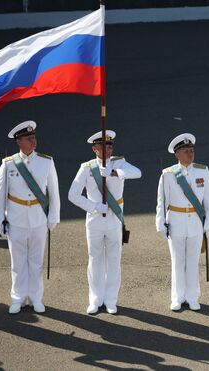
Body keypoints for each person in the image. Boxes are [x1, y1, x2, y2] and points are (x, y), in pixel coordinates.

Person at [68, 130, 141, 314]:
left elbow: (137, 173)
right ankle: (95, 298)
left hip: (114, 218)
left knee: (114, 259)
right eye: (103, 146)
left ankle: (110, 300)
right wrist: (93, 206)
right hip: (94, 220)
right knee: (95, 259)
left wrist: (114, 172)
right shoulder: (86, 167)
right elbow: (73, 195)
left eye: (110, 146)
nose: (107, 149)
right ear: (94, 148)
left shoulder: (119, 163)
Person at [0, 120, 60, 314]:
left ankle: (36, 297)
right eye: (28, 138)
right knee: (18, 263)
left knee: (36, 262)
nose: (33, 141)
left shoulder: (46, 161)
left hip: (39, 218)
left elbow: (54, 192)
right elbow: (0, 194)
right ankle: (18, 298)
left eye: (34, 137)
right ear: (19, 142)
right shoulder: (8, 165)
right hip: (16, 219)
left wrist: (53, 217)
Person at [156, 133, 209, 311]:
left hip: (196, 221)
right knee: (177, 261)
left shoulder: (203, 171)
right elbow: (161, 201)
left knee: (192, 260)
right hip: (176, 221)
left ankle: (192, 296)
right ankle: (177, 297)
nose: (190, 153)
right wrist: (160, 222)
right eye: (186, 150)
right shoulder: (167, 174)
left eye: (191, 150)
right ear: (177, 154)